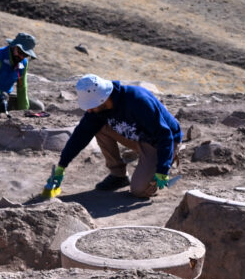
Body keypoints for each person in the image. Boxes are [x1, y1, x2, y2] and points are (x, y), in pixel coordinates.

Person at [43, 75, 181, 200]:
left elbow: (165, 135)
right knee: (98, 128)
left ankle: (169, 158)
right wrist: (62, 166)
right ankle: (118, 176)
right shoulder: (98, 110)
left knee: (139, 190)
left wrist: (163, 168)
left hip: (160, 142)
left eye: (91, 106)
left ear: (103, 99)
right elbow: (80, 135)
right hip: (138, 136)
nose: (88, 110)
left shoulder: (138, 101)